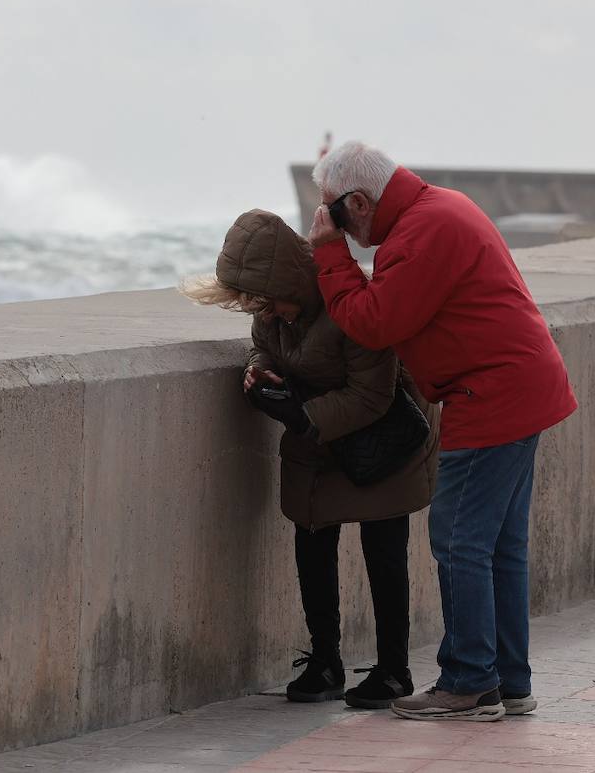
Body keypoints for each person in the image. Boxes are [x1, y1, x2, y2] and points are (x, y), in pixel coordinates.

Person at [305, 141, 578, 722]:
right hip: (519, 385)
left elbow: (373, 323)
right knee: (501, 547)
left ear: (360, 200)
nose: (328, 222)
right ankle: (509, 680)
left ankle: (469, 681)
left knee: (459, 541)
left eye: (333, 211)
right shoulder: (440, 207)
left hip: (492, 395)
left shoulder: (421, 233)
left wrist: (329, 254)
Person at [183, 209, 440, 708]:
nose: (268, 313)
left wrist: (302, 416)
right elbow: (264, 349)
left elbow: (373, 394)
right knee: (311, 534)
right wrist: (260, 373)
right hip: (319, 432)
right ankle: (325, 662)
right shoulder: (271, 309)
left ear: (289, 282)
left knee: (384, 548)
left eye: (271, 303)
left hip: (385, 433)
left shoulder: (350, 304)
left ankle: (394, 670)